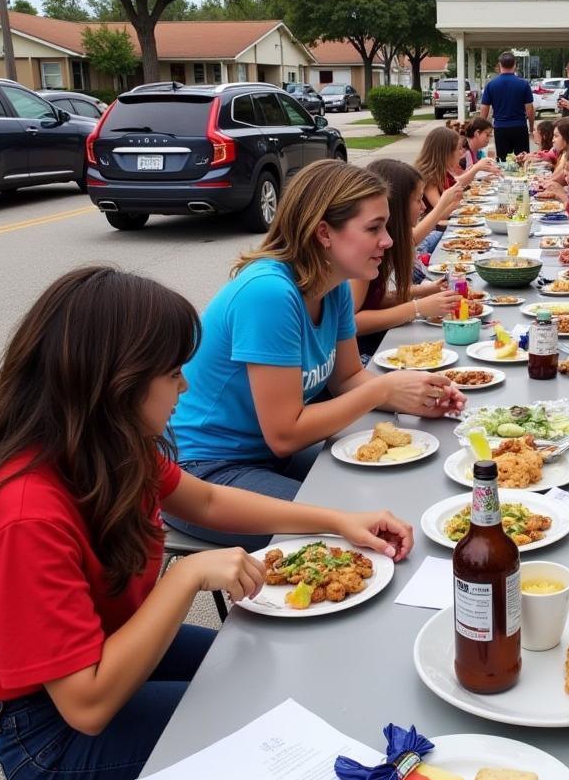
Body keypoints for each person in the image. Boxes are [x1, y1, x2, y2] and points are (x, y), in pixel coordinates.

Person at [0, 267, 415, 780]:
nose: (186, 386)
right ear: (117, 381)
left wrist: (337, 520)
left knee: (276, 663)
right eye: (173, 373)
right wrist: (187, 576)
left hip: (111, 646)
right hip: (51, 737)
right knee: (276, 737)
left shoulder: (108, 441)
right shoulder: (29, 513)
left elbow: (208, 501)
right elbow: (87, 705)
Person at [166, 160, 467, 548]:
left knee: (400, 487)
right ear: (324, 232)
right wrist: (383, 391)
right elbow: (285, 433)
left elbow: (346, 379)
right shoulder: (269, 294)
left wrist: (414, 399)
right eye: (374, 228)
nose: (389, 241)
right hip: (204, 473)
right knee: (362, 536)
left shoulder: (336, 282)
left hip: (263, 458)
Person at [352, 160, 462, 358]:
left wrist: (424, 290)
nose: (422, 207)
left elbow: (374, 299)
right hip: (368, 353)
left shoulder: (385, 242)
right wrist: (417, 308)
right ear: (398, 203)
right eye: (418, 200)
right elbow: (353, 323)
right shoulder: (363, 252)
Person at [415, 126, 498, 256]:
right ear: (445, 152)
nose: (461, 153)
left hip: (437, 229)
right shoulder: (429, 177)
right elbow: (440, 214)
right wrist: (455, 202)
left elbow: (459, 183)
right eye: (458, 149)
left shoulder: (443, 171)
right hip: (431, 234)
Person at [479, 52, 535, 158]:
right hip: (520, 126)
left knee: (502, 161)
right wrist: (531, 129)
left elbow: (484, 109)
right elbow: (530, 109)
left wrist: (482, 129)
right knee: (523, 160)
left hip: (500, 128)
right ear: (515, 65)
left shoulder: (491, 85)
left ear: (500, 65)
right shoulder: (523, 84)